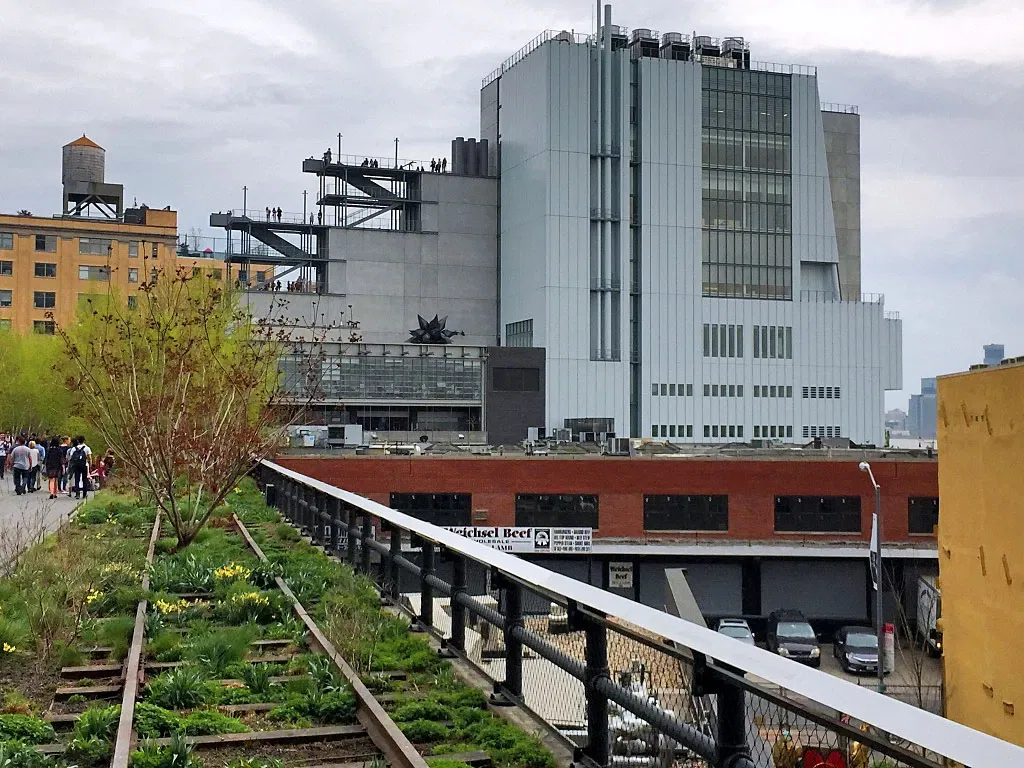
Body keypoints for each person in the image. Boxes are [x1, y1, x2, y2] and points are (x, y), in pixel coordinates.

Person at [67, 435, 92, 500]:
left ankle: (77, 493)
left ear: (78, 441)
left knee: (77, 479)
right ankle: (84, 494)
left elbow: (71, 458)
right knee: (84, 479)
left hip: (76, 465)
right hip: (84, 465)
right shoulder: (87, 448)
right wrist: (90, 465)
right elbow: (89, 458)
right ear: (84, 440)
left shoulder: (74, 448)